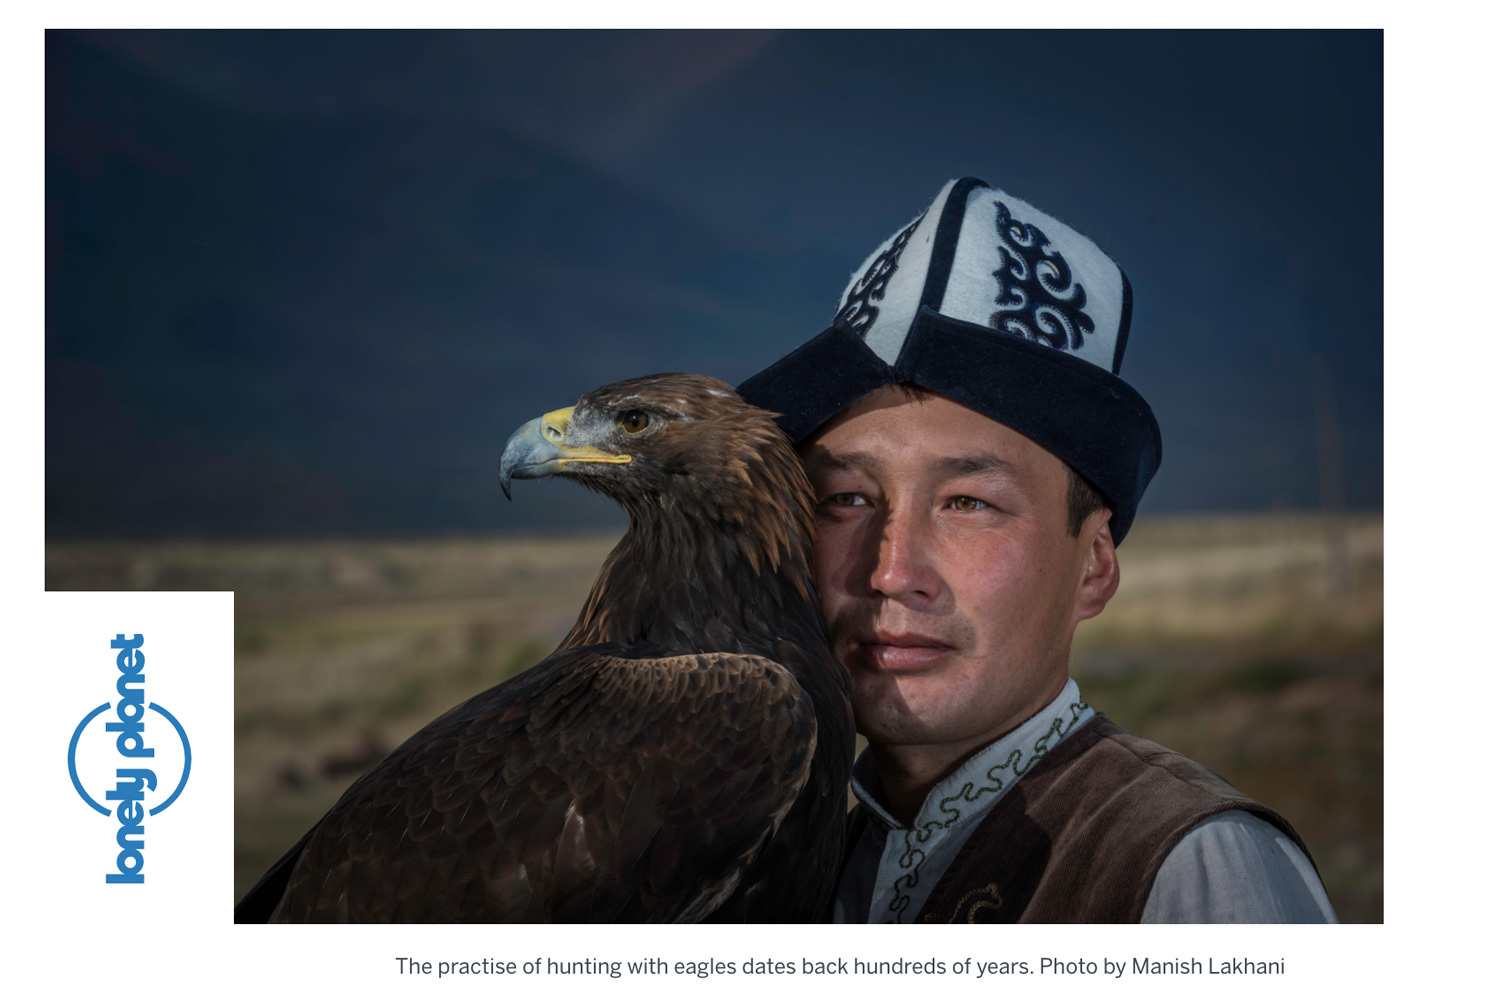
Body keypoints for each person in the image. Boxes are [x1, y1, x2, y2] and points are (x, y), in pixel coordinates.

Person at [738, 177, 1335, 923]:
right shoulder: (798, 861)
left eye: (968, 504)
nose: (889, 572)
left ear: (1094, 567)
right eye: (846, 500)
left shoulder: (1186, 867)